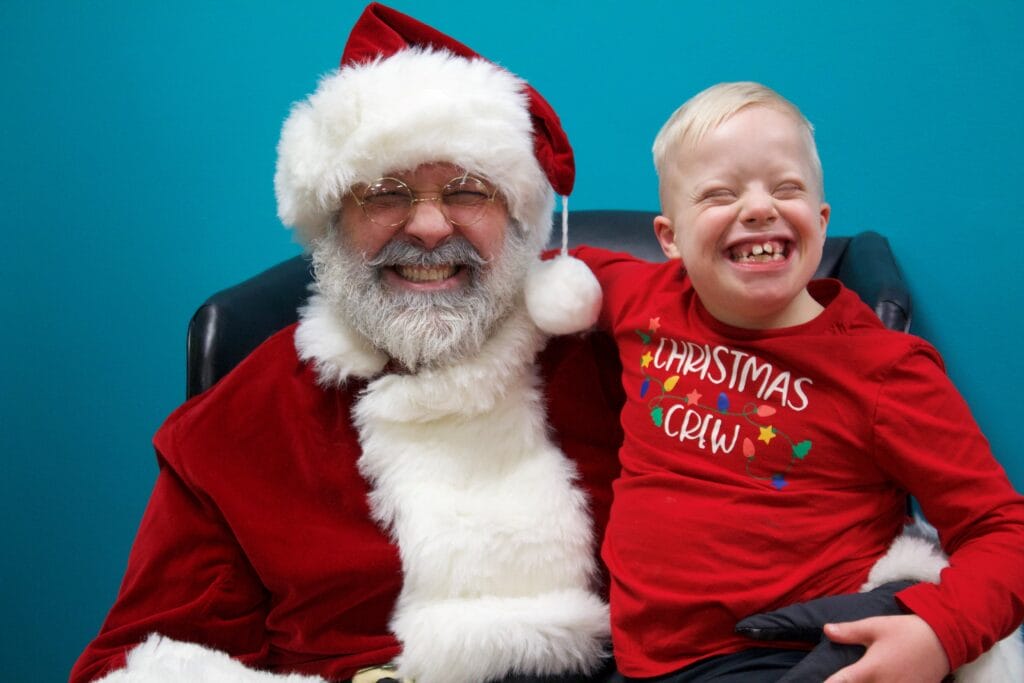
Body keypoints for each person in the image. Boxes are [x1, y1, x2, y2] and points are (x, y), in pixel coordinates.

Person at [71, 4, 623, 682]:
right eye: (385, 192)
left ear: (518, 214)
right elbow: (127, 665)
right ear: (330, 223)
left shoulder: (624, 350)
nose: (426, 226)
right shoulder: (241, 426)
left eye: (467, 189)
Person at [563, 82, 1024, 682]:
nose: (759, 208)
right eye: (720, 194)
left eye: (787, 189)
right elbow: (529, 269)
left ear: (822, 219)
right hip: (638, 654)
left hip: (787, 649)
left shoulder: (885, 369)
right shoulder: (640, 298)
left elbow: (1002, 530)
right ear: (669, 239)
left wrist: (939, 633)